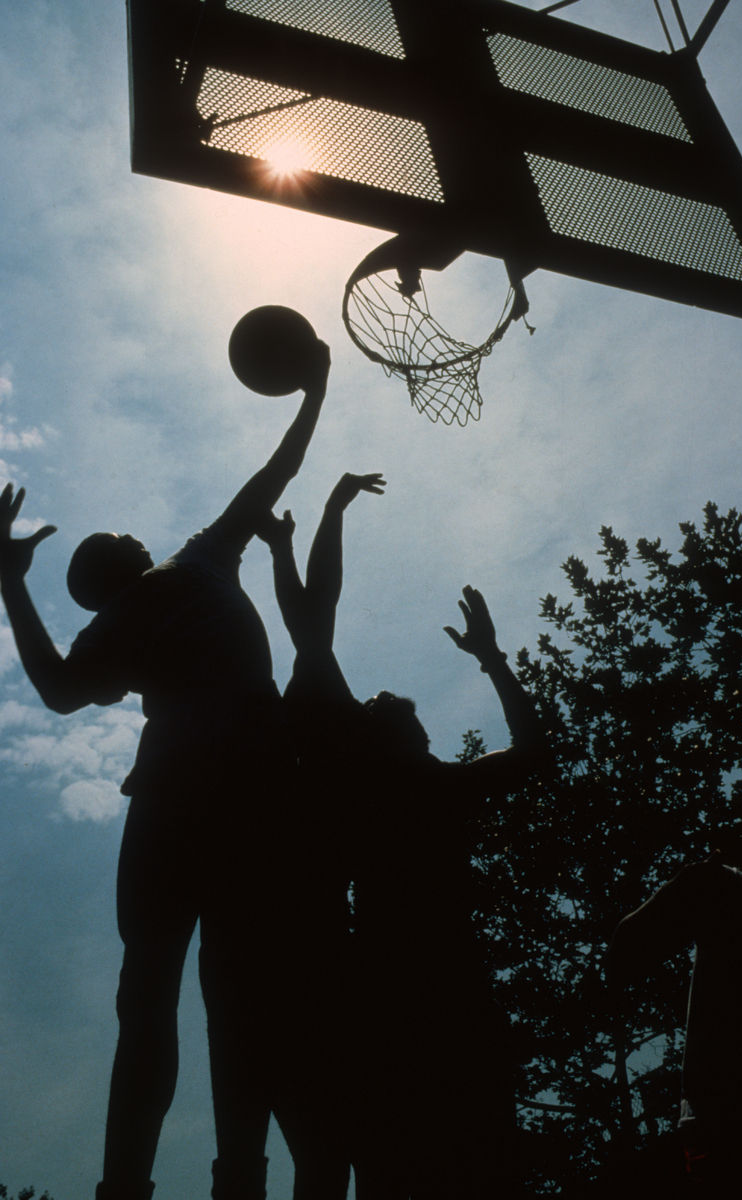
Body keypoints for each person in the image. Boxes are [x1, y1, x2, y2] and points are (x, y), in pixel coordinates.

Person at [0, 339, 330, 1200]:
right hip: (244, 794)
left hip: (182, 801)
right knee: (231, 995)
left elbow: (59, 692)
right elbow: (275, 474)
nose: (129, 527)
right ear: (117, 567)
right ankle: (236, 1178)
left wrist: (8, 585)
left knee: (151, 993)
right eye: (118, 535)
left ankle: (128, 1186)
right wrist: (315, 389)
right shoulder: (197, 562)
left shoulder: (124, 620)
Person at [260, 481, 541, 1199]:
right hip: (427, 983)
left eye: (384, 702)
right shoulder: (424, 788)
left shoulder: (373, 789)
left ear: (405, 735)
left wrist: (297, 536)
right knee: (453, 1152)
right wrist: (492, 659)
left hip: (392, 985)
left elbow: (308, 627)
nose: (377, 696)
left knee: (412, 1156)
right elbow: (534, 749)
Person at [606, 789, 742, 1197]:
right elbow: (625, 950)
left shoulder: (719, 887)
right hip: (725, 1124)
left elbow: (624, 953)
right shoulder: (717, 886)